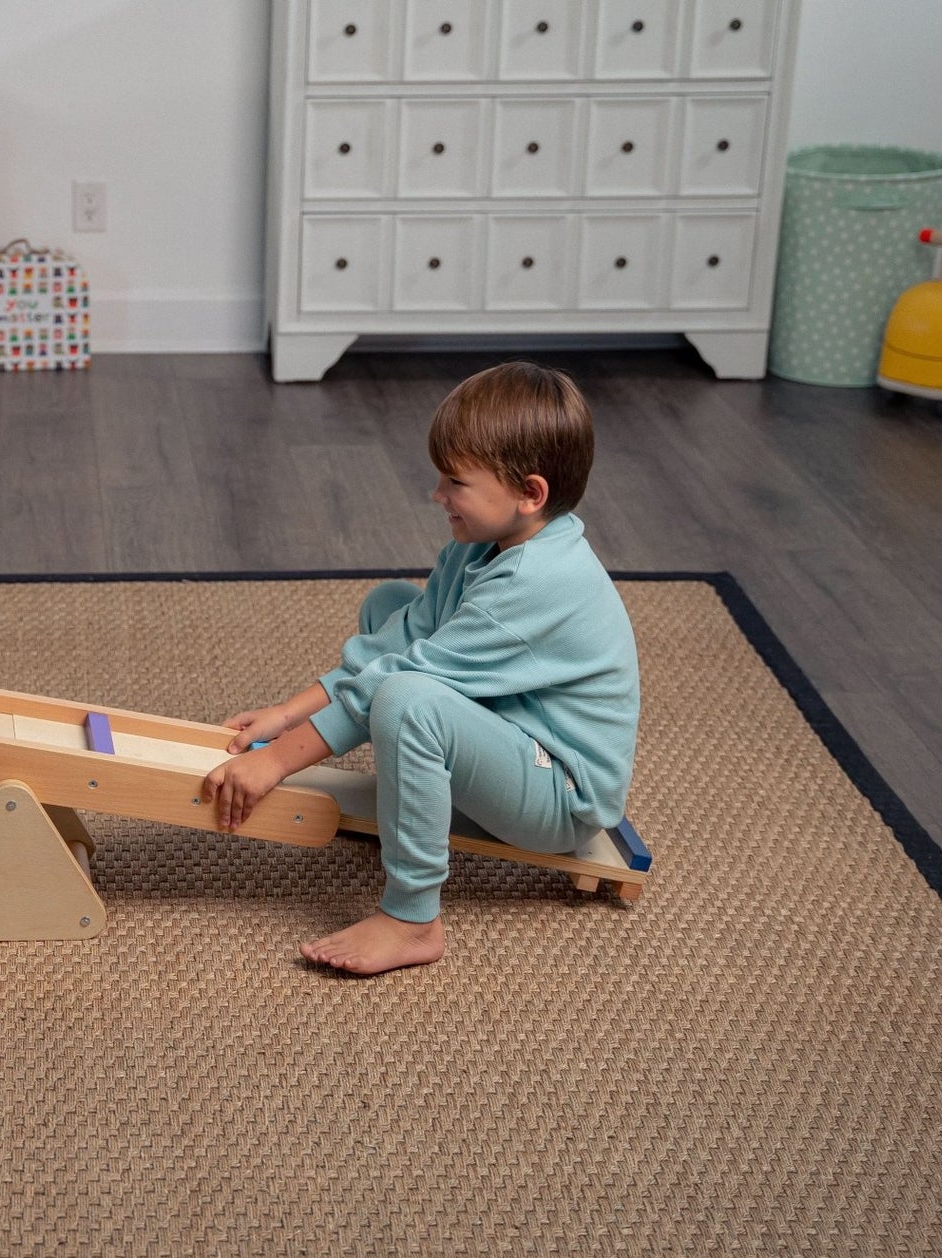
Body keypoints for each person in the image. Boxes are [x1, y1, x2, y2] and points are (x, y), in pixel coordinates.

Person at [202, 360, 640, 976]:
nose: (437, 496)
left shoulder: (539, 581)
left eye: (455, 484)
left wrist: (275, 759)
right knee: (392, 606)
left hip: (561, 795)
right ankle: (422, 785)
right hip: (512, 730)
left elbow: (395, 681)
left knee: (407, 698)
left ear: (529, 493)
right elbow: (401, 639)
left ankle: (412, 919)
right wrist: (284, 714)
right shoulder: (482, 546)